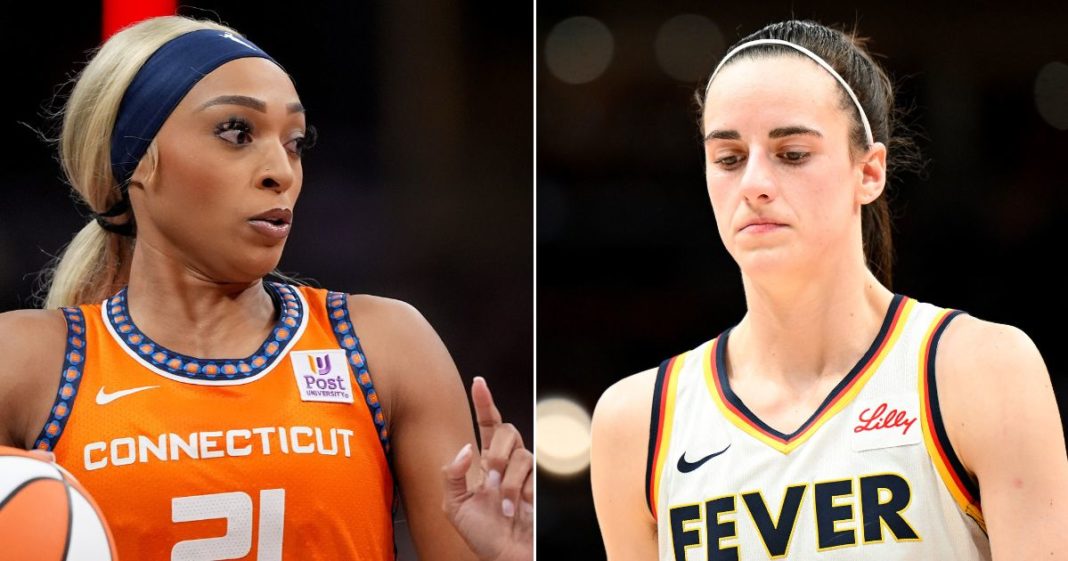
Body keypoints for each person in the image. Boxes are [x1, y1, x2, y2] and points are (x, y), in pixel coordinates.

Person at [0, 15, 532, 561]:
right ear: (136, 158)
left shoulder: (385, 347)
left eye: (295, 142)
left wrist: (506, 556)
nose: (282, 170)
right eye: (237, 133)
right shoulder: (24, 362)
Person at [591, 20, 1068, 560]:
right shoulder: (636, 422)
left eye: (792, 154)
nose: (753, 185)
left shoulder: (980, 370)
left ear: (869, 171)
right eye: (728, 158)